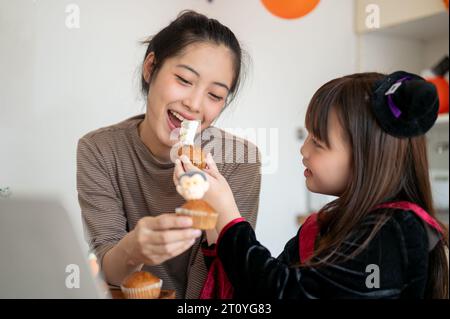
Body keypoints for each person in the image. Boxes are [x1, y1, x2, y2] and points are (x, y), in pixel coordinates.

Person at [175, 71, 449, 298]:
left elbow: (282, 293)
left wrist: (227, 214)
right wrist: (214, 221)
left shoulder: (395, 232)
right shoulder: (326, 224)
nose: (304, 150)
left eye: (318, 142)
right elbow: (252, 289)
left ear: (368, 156)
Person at [76, 10, 261, 299]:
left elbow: (228, 278)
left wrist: (214, 210)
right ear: (150, 68)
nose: (194, 104)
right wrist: (132, 248)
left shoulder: (239, 160)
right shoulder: (100, 150)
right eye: (185, 80)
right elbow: (106, 270)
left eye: (215, 96)